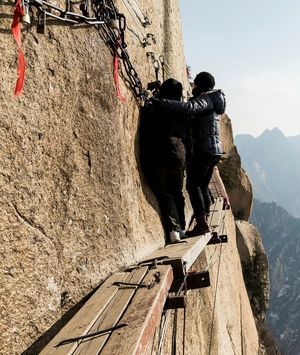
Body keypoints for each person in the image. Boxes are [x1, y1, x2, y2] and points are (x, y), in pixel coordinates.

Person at [152, 72, 226, 237]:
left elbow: (189, 108)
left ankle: (201, 223)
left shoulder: (206, 98)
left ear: (200, 85)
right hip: (215, 150)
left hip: (205, 149)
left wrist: (162, 102)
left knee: (193, 186)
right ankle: (205, 217)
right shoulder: (214, 100)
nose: (193, 89)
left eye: (196, 85)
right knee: (202, 185)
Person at [140, 78, 188, 243]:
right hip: (179, 156)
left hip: (160, 154)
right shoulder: (182, 110)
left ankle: (173, 230)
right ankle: (182, 227)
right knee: (177, 193)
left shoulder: (156, 107)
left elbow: (146, 122)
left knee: (165, 193)